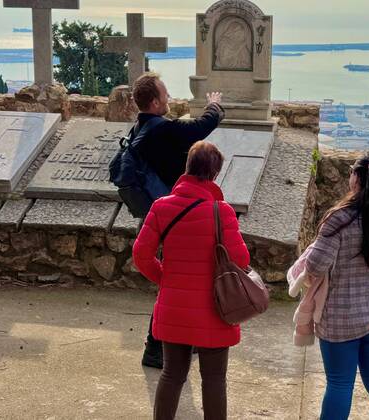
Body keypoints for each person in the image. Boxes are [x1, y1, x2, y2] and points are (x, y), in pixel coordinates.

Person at [132, 141, 250, 420]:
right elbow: (241, 259)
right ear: (215, 173)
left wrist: (165, 279)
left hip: (174, 305)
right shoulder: (222, 211)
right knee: (214, 378)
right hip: (214, 309)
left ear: (187, 167)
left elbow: (141, 255)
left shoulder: (161, 207)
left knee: (171, 374)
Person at [131, 72, 226, 369]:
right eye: (165, 94)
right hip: (173, 216)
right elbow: (199, 128)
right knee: (173, 285)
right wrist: (214, 106)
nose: (169, 98)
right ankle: (154, 348)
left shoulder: (140, 128)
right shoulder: (161, 129)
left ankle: (178, 340)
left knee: (178, 284)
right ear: (154, 102)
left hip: (160, 211)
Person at [306, 153, 369, 420]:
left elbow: (315, 267)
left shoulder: (339, 218)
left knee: (339, 384)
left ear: (355, 178)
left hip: (341, 317)